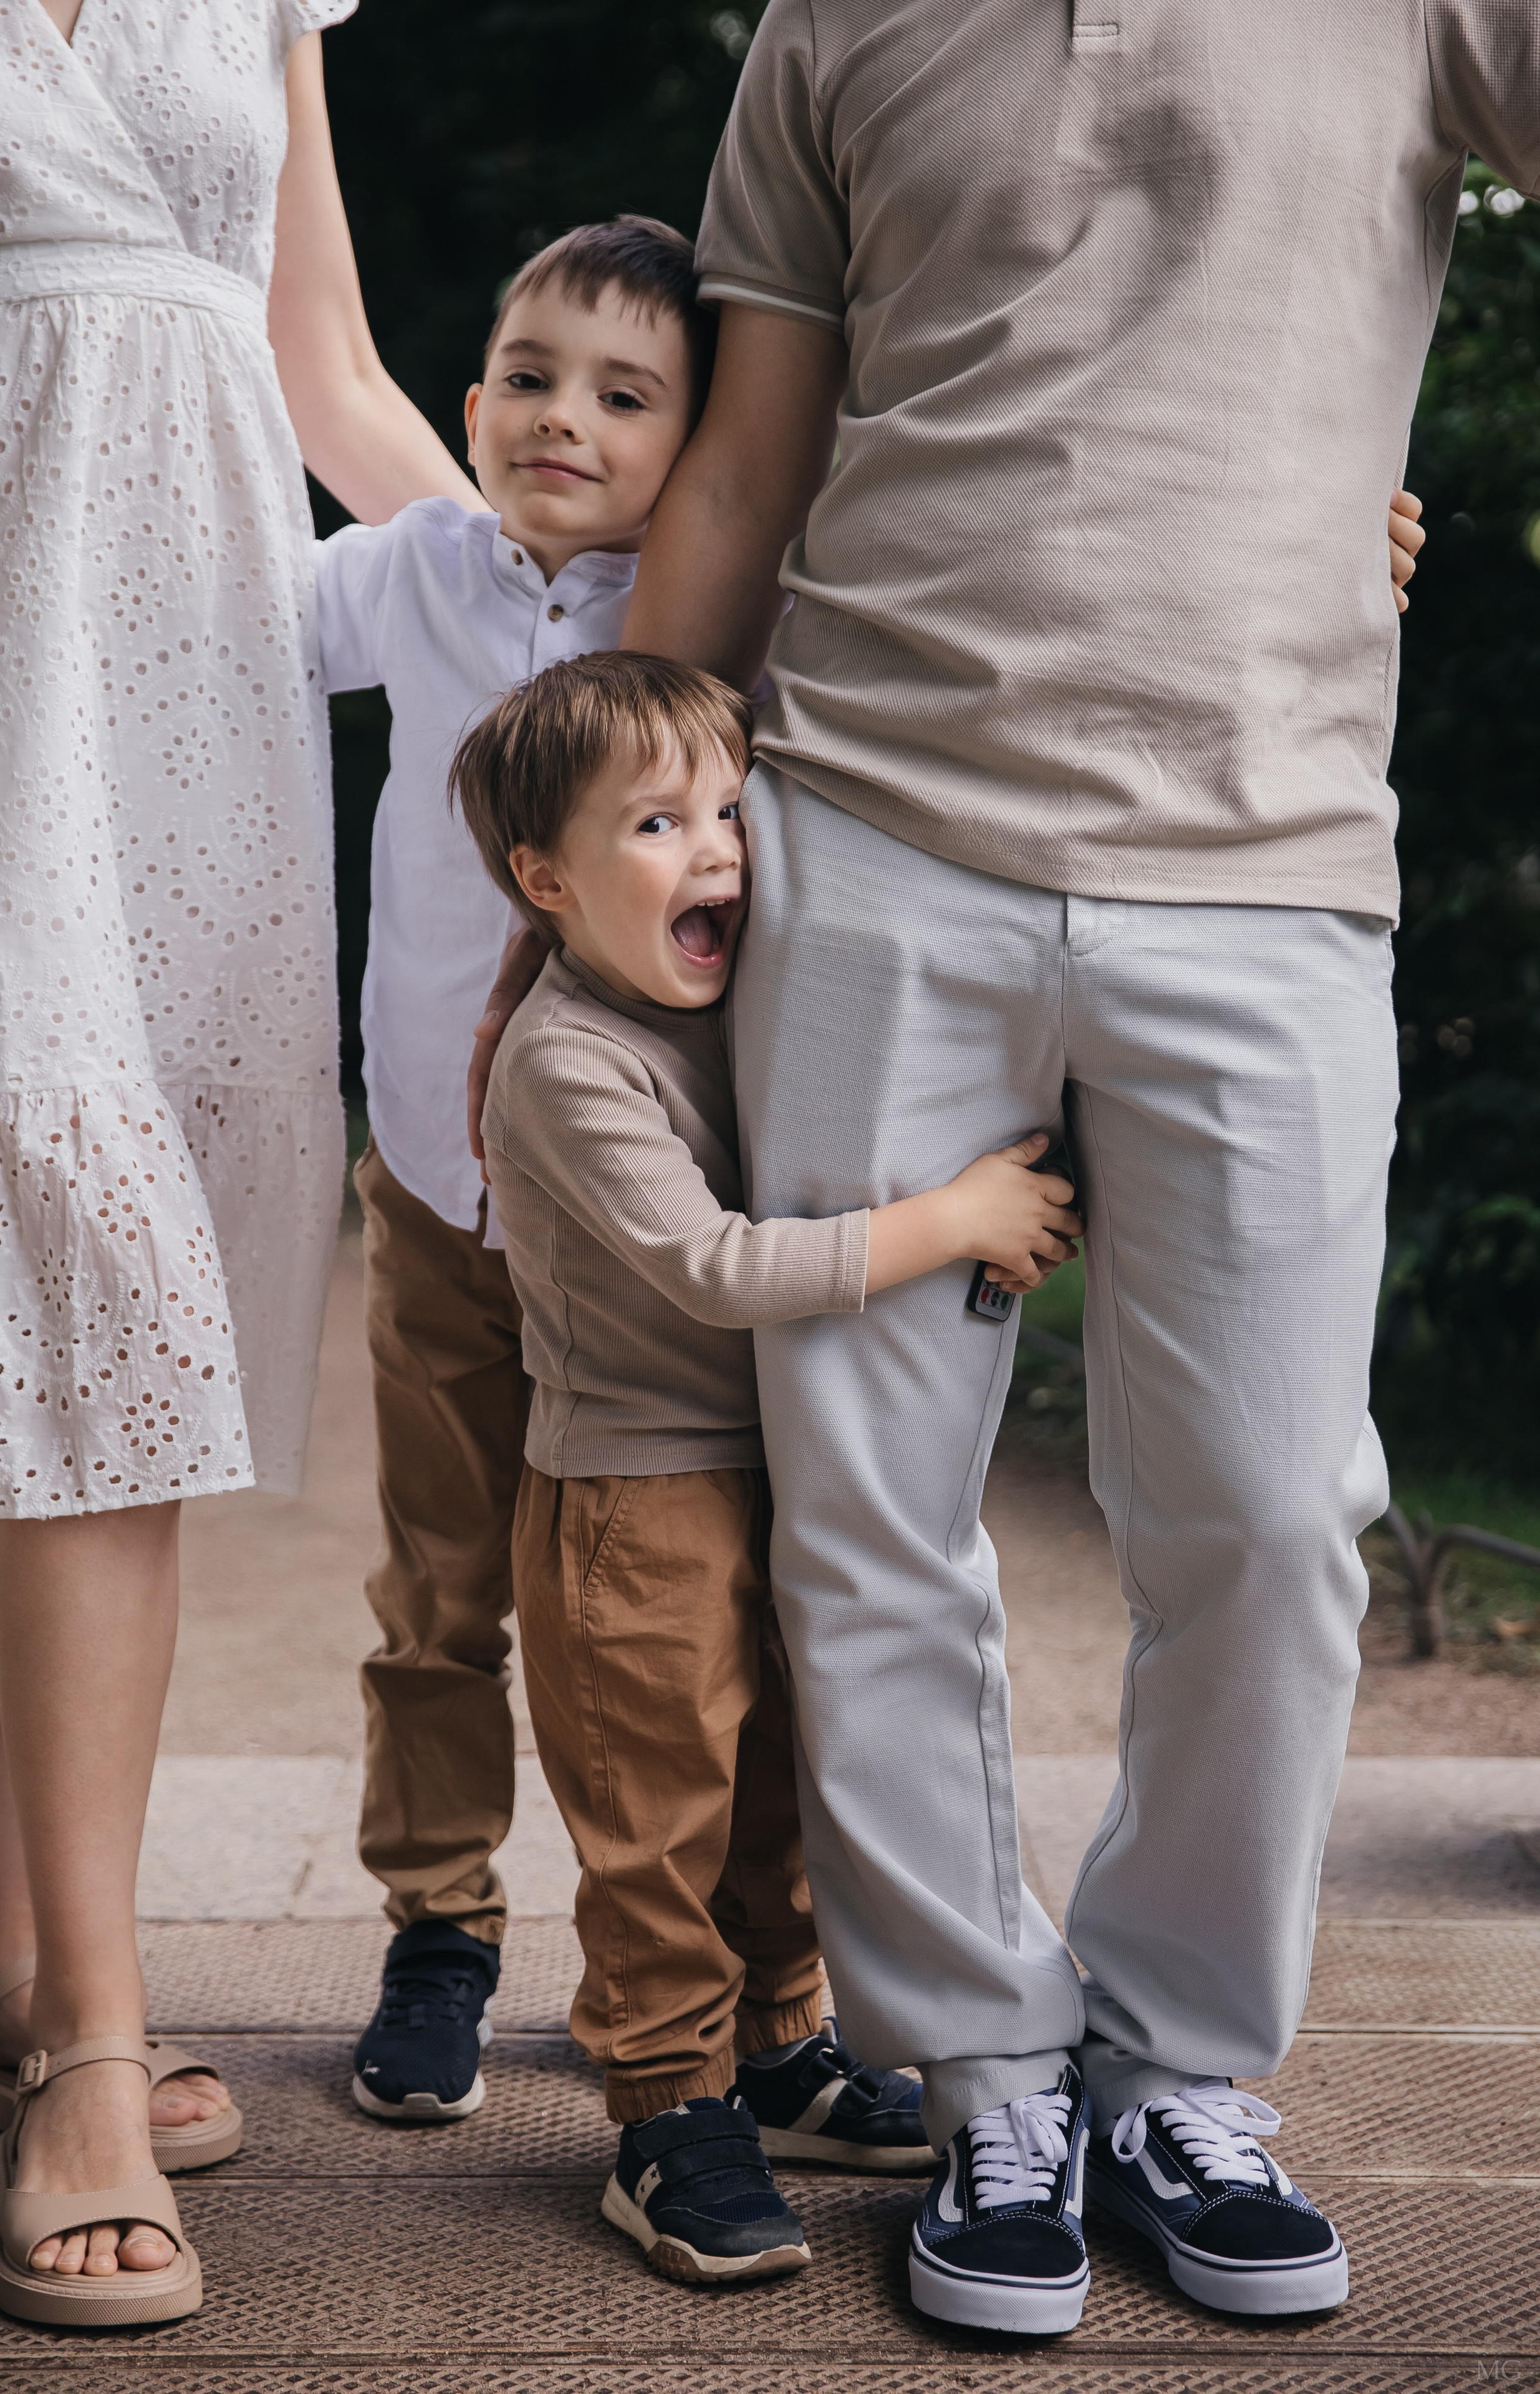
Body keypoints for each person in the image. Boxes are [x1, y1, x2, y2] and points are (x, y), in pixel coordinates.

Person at [551, 0, 1466, 2339]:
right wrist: (566, 919)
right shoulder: (832, 25)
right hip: (873, 832)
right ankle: (989, 2072)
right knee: (870, 1514)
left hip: (1265, 863)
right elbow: (743, 477)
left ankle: (1181, 2069)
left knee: (1270, 1514)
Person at [0, 0, 480, 2327]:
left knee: (99, 1282)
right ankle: (88, 2029)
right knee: (56, 1270)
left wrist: (579, 599)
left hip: (190, 686)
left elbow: (324, 356)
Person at [313, 222, 931, 2190]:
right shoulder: (412, 571)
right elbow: (195, 621)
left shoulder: (733, 621)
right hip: (438, 1195)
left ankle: (770, 2006)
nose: (557, 414)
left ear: (705, 442)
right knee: (438, 1592)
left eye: (622, 390)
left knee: (713, 1617)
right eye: (522, 371)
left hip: (655, 1221)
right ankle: (437, 1923)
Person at [456, 648, 1085, 2285]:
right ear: (548, 880)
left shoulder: (745, 1003)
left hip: (776, 1464)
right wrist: (946, 1222)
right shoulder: (568, 1060)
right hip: (631, 1502)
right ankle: (670, 2107)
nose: (719, 848)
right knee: (658, 1814)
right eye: (658, 822)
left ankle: (784, 2048)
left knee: (788, 1787)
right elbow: (723, 1267)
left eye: (733, 809)